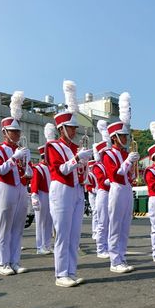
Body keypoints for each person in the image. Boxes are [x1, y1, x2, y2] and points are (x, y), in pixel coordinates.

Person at [45, 80, 91, 287]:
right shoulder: (52, 146)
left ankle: (71, 270)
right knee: (63, 232)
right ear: (61, 128)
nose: (74, 131)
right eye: (71, 128)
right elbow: (60, 170)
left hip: (77, 189)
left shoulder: (75, 146)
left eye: (75, 127)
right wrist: (76, 159)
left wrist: (85, 162)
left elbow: (79, 171)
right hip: (61, 189)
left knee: (74, 233)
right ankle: (61, 273)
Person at [0, 90, 32, 276]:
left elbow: (26, 172)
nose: (16, 134)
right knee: (4, 225)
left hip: (21, 187)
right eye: (13, 131)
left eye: (18, 131)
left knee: (18, 225)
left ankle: (15, 260)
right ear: (5, 132)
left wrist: (28, 168)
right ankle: (3, 262)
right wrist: (14, 158)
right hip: (5, 186)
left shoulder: (21, 149)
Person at [102, 93, 139, 274]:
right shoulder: (108, 154)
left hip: (127, 188)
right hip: (116, 189)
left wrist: (131, 164)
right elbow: (114, 175)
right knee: (115, 225)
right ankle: (114, 260)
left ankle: (122, 257)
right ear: (115, 137)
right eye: (123, 136)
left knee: (125, 225)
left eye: (126, 135)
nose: (126, 139)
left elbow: (129, 176)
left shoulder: (125, 153)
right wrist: (127, 163)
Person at [31, 144, 53, 255]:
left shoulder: (50, 167)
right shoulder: (38, 168)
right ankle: (39, 247)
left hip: (50, 195)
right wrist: (34, 196)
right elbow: (34, 183)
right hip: (41, 195)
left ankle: (47, 245)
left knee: (49, 221)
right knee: (40, 222)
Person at [92, 140, 110, 259]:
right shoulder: (97, 166)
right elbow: (102, 181)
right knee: (102, 223)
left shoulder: (108, 163)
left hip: (111, 192)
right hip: (103, 193)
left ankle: (108, 246)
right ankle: (100, 248)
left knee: (110, 223)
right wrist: (114, 179)